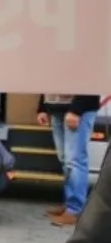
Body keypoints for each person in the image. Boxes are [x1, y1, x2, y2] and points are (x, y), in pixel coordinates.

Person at [36, 94, 100, 227]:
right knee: (66, 161)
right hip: (57, 108)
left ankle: (75, 210)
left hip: (78, 110)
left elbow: (90, 80)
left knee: (75, 160)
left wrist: (77, 110)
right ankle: (69, 205)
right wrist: (42, 107)